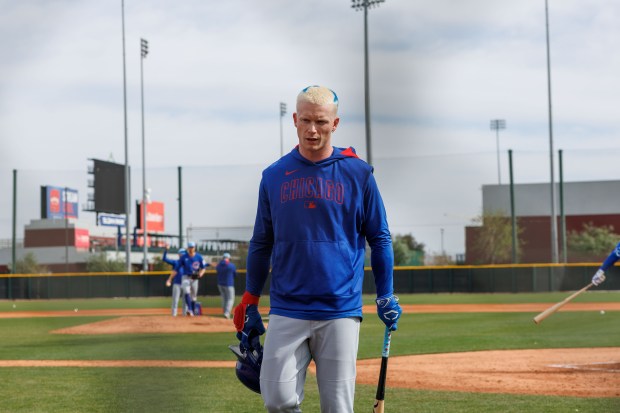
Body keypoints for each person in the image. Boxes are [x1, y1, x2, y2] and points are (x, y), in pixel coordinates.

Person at [233, 85, 402, 412]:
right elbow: (261, 242)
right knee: (277, 400)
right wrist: (250, 299)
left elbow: (379, 237)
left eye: (322, 122)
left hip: (340, 309)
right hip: (287, 307)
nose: (313, 129)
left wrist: (386, 293)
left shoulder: (359, 174)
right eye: (306, 120)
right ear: (295, 120)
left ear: (335, 124)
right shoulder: (273, 176)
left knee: (338, 407)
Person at [180, 241, 208, 316]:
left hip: (195, 278)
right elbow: (177, 267)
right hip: (186, 277)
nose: (191, 249)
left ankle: (192, 311)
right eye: (190, 247)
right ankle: (189, 309)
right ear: (188, 248)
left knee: (194, 296)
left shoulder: (199, 257)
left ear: (194, 248)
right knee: (186, 291)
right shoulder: (184, 257)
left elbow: (203, 268)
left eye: (192, 247)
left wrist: (201, 274)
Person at [163, 246, 186, 316]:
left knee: (185, 301)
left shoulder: (188, 262)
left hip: (186, 283)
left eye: (182, 253)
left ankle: (185, 315)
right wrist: (166, 250)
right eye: (180, 253)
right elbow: (164, 259)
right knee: (175, 300)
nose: (180, 254)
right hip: (177, 283)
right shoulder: (176, 262)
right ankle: (174, 315)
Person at [216, 252, 237, 319]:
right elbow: (235, 274)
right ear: (229, 258)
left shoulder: (218, 265)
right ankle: (227, 313)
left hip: (220, 284)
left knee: (224, 299)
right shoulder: (231, 265)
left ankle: (225, 312)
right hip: (229, 284)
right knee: (230, 299)